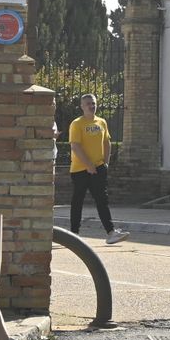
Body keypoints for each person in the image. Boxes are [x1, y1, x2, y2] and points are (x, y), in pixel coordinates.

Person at [67, 93, 127, 244]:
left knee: (102, 200)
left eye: (93, 103)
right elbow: (75, 146)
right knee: (77, 201)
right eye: (88, 103)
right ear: (82, 106)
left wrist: (105, 163)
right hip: (80, 170)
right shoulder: (77, 123)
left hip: (98, 168)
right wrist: (88, 165)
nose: (91, 106)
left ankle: (111, 232)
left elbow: (107, 143)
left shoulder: (101, 122)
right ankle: (74, 233)